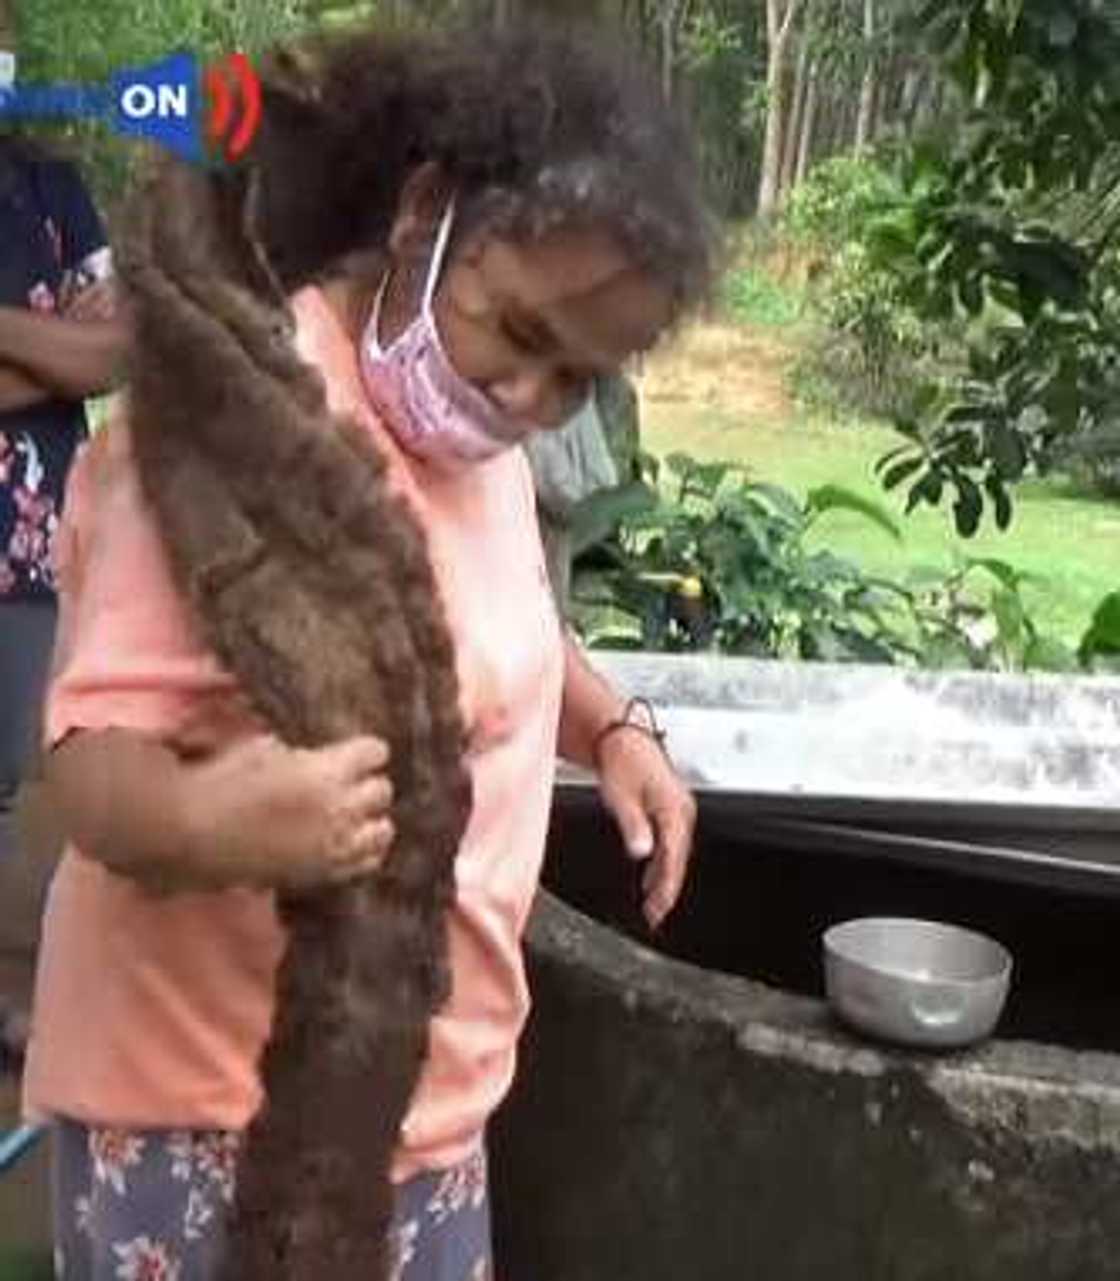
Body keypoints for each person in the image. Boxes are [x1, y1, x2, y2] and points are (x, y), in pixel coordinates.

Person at [22, 20, 713, 1281]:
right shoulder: (230, 431)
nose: (526, 400)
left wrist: (609, 727)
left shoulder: (473, 446)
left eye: (579, 378)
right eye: (516, 333)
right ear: (422, 214)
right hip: (207, 1120)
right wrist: (207, 821)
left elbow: (494, 623)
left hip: (426, 1107)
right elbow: (84, 767)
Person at [0, 16, 122, 1058]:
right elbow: (77, 350)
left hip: (34, 537)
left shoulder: (52, 186)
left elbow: (115, 351)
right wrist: (54, 346)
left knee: (9, 775)